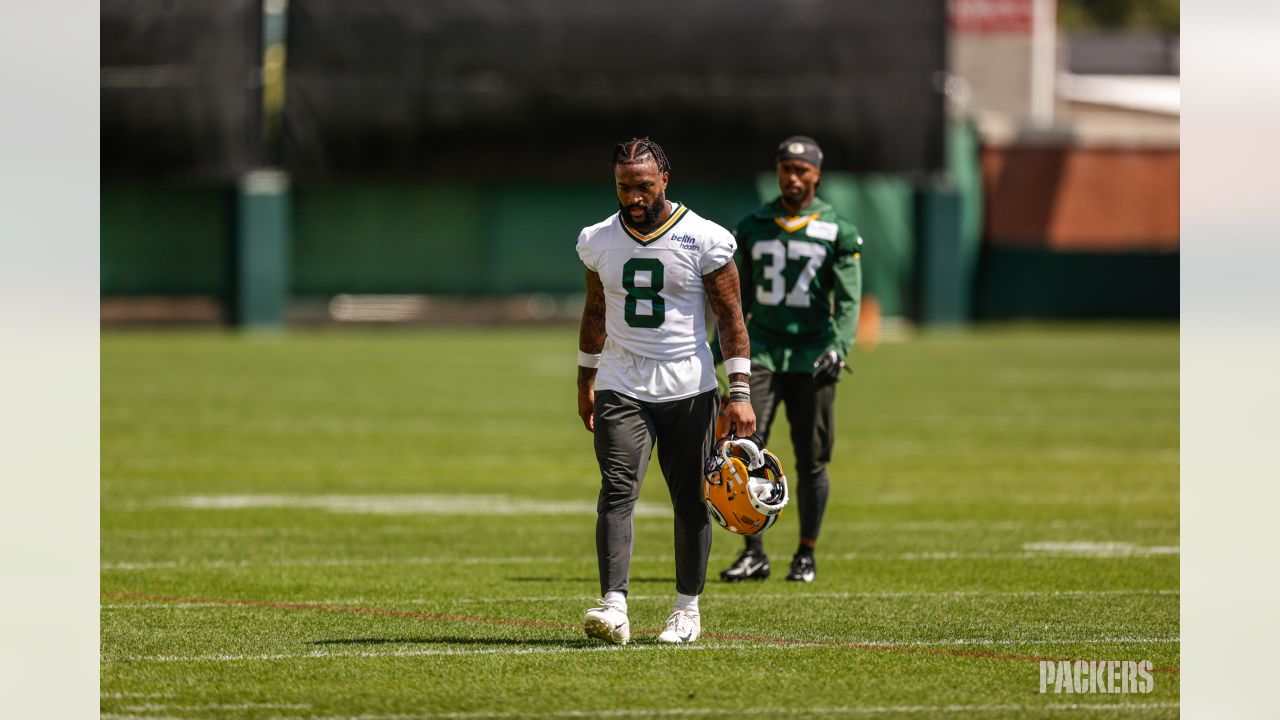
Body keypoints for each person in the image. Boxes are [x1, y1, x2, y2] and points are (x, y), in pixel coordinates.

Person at [575, 137, 756, 645]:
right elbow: (594, 313)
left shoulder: (705, 238)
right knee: (617, 489)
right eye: (623, 187)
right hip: (621, 380)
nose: (633, 197)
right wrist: (586, 380)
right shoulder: (597, 239)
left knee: (691, 500)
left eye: (644, 186)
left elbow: (731, 320)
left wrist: (738, 392)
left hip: (689, 385)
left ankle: (687, 609)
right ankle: (614, 606)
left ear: (665, 181)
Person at [717, 135, 862, 584]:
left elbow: (849, 298)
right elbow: (730, 299)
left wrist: (839, 345)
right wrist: (719, 353)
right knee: (745, 450)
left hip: (813, 353)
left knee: (812, 458)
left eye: (802, 171)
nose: (793, 178)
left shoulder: (838, 228)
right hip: (759, 350)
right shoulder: (753, 224)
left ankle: (806, 553)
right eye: (786, 169)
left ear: (818, 175)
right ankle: (753, 550)